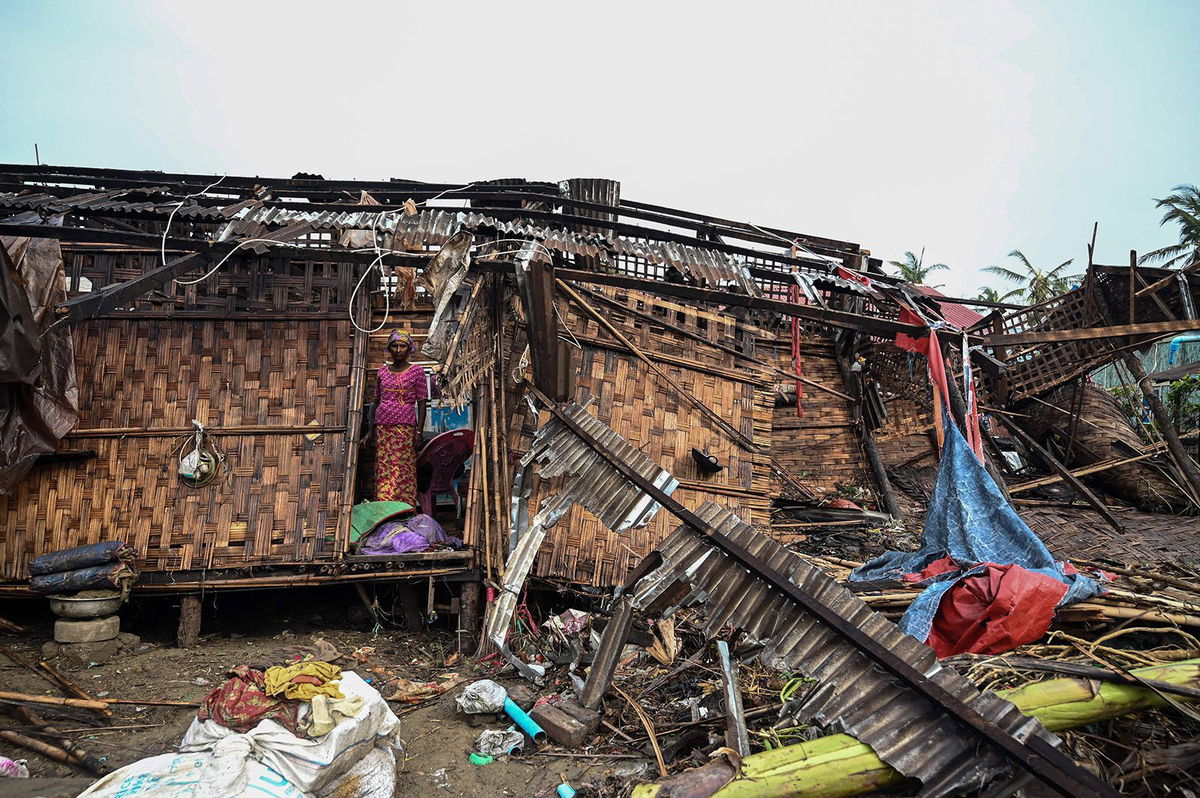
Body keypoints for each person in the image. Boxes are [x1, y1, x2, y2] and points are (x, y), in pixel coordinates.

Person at [373, 330, 428, 506]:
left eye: (402, 346)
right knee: (385, 468)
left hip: (405, 428)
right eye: (394, 346)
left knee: (403, 467)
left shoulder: (416, 371)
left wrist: (419, 430)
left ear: (409, 348)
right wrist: (371, 429)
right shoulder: (382, 372)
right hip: (383, 427)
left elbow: (422, 403)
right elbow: (376, 401)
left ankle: (404, 507)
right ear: (389, 348)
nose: (398, 349)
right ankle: (385, 506)